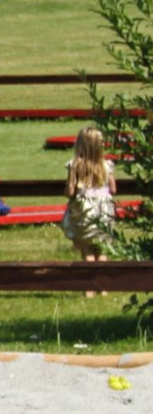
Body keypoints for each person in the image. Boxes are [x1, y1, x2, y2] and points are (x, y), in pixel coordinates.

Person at [62, 125, 118, 295]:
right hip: (104, 210)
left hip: (84, 210)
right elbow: (113, 189)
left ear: (80, 146)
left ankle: (89, 288)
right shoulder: (106, 165)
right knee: (101, 248)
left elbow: (70, 191)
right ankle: (103, 287)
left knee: (87, 249)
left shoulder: (75, 166)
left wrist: (68, 190)